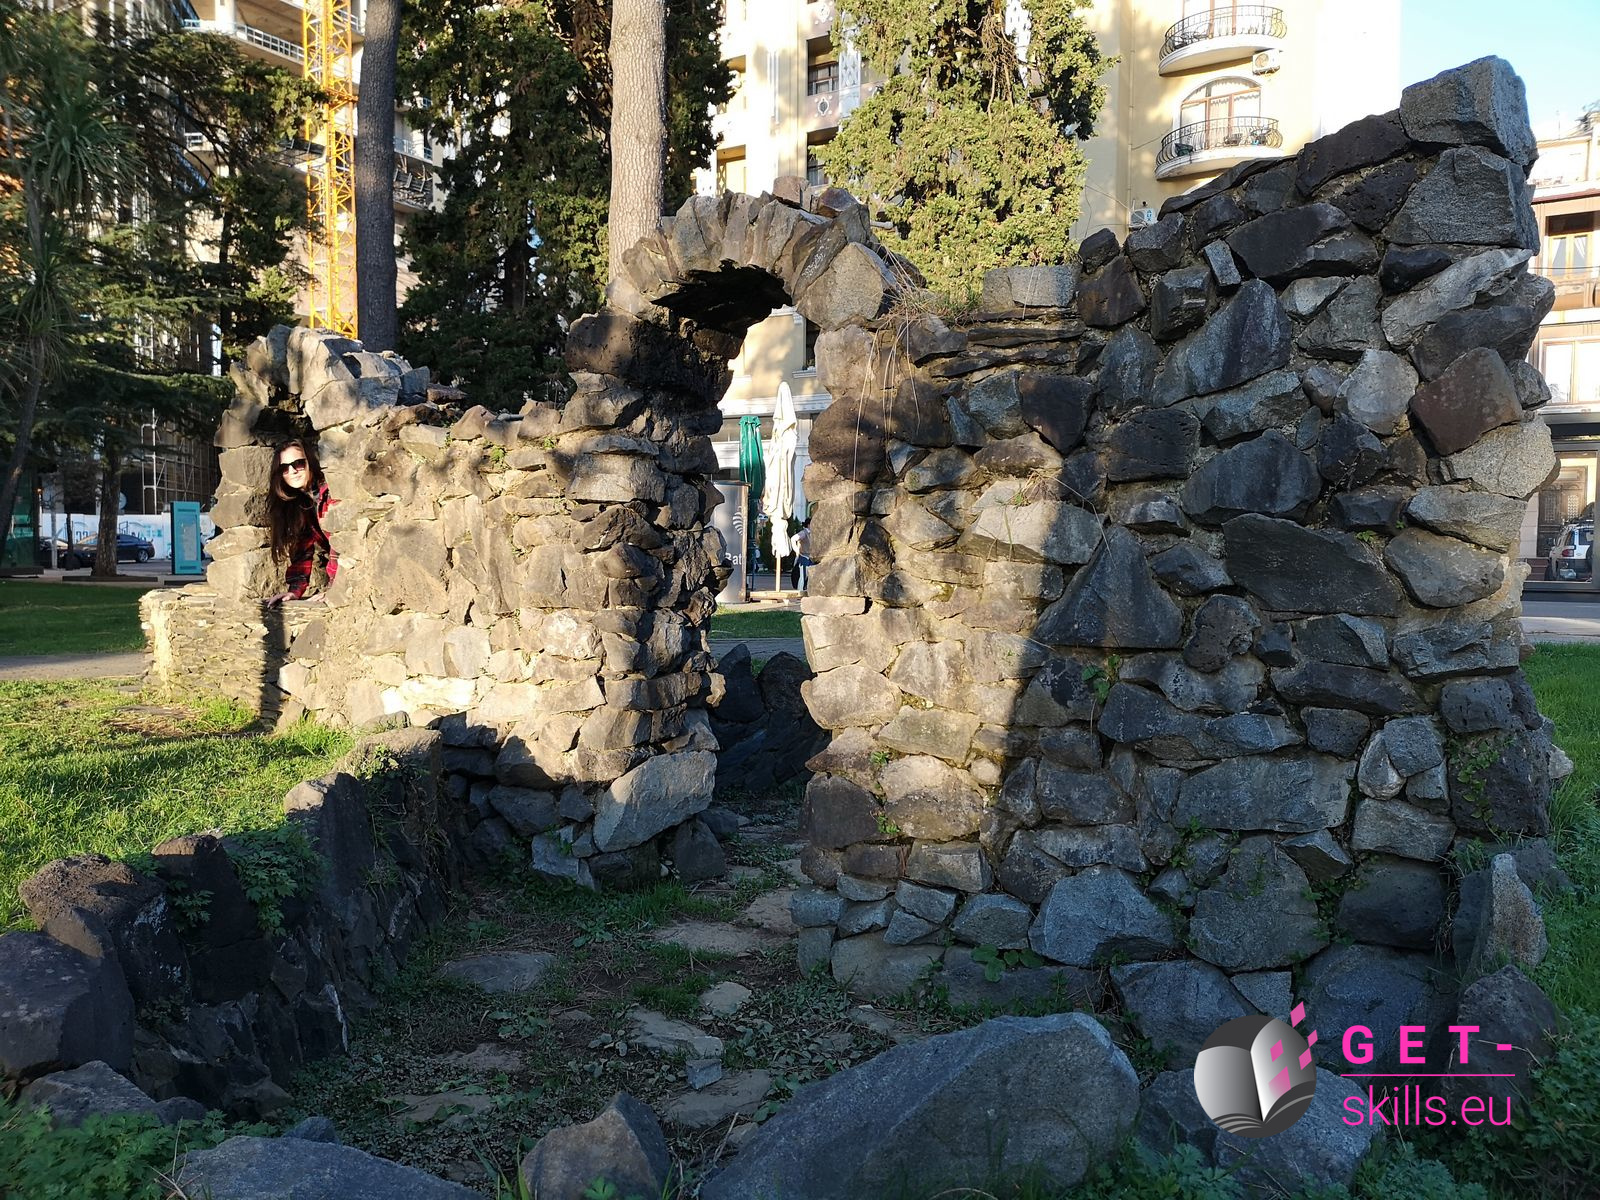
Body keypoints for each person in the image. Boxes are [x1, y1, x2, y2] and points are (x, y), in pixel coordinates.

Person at [265, 438, 338, 604]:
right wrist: (294, 591)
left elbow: (341, 545)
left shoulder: (331, 492)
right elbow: (303, 548)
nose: (292, 471)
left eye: (298, 464)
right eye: (284, 468)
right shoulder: (301, 503)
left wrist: (334, 589)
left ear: (309, 461)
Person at [791, 520, 812, 591]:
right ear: (809, 525)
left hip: (810, 558)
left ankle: (805, 590)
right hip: (804, 557)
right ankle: (800, 591)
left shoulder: (811, 533)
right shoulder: (804, 533)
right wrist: (797, 550)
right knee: (803, 576)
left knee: (808, 576)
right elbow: (793, 539)